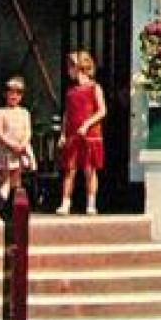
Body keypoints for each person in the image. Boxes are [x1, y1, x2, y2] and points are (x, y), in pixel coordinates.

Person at [57, 51, 106, 216]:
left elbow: (102, 111)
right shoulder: (71, 91)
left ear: (79, 68)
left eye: (71, 66)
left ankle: (91, 203)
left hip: (90, 134)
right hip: (72, 134)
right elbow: (67, 114)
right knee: (69, 169)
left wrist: (86, 124)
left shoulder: (94, 87)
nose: (68, 71)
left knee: (89, 169)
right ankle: (65, 202)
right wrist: (63, 134)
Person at [0, 77, 36, 202]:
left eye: (18, 93)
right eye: (11, 93)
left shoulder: (24, 112)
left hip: (20, 148)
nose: (14, 96)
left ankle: (15, 202)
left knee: (17, 176)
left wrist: (23, 144)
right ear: (5, 94)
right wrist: (11, 145)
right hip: (6, 148)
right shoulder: (1, 112)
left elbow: (28, 130)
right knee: (6, 177)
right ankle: (3, 200)